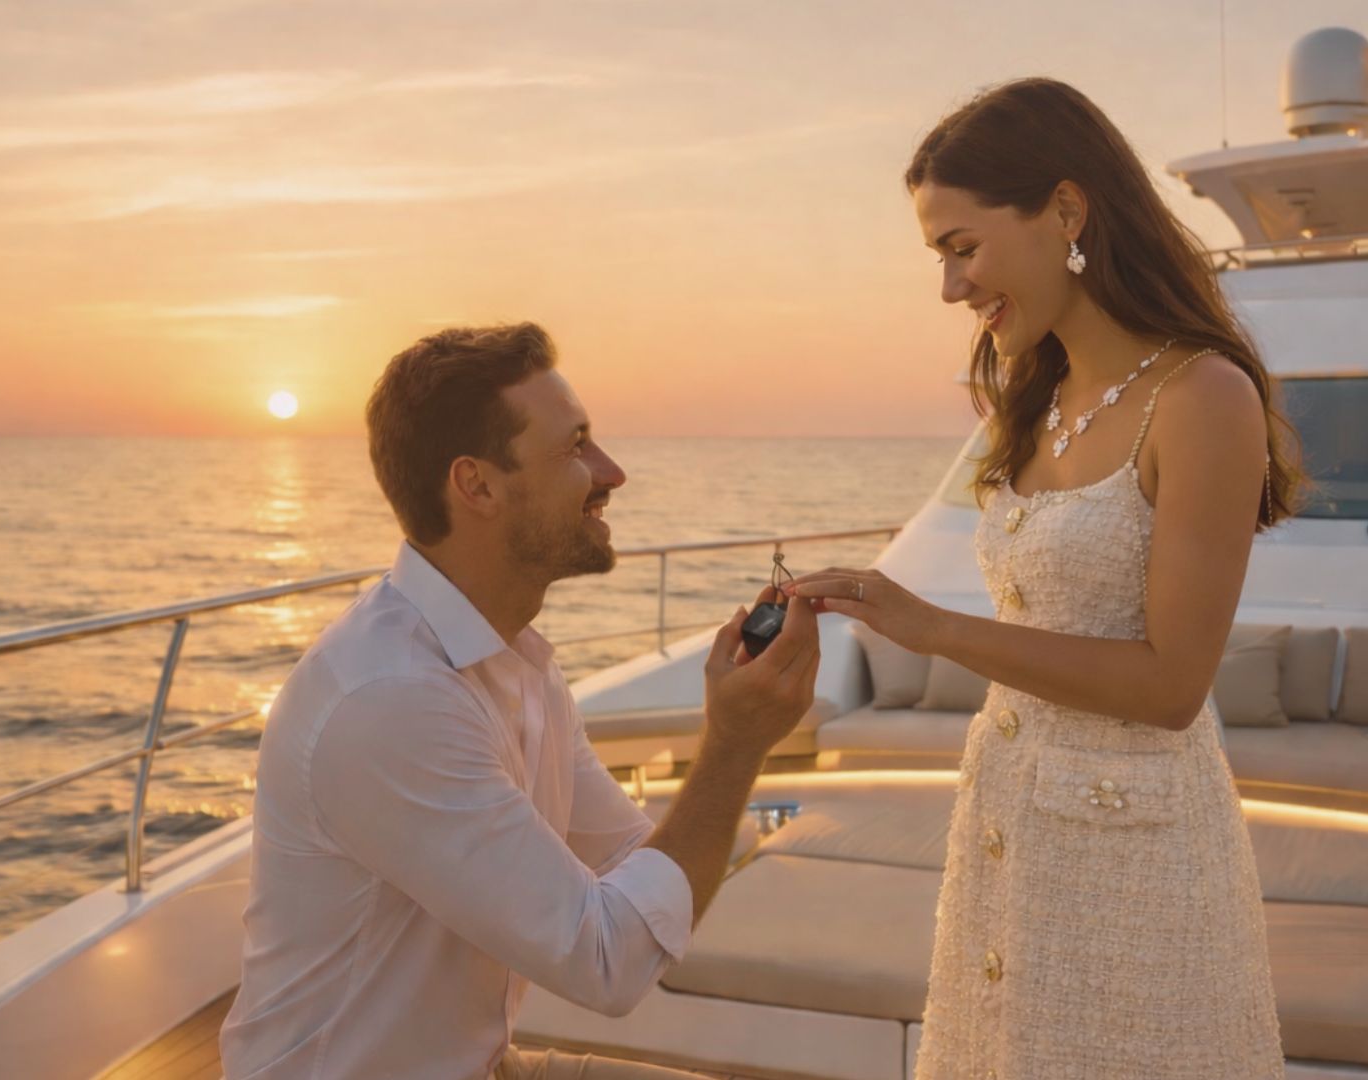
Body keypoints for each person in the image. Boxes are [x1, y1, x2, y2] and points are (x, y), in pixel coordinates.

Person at [786, 79, 1303, 1077]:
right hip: (1010, 829)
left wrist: (928, 628)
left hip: (1138, 864)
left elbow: (1169, 686)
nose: (949, 288)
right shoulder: (1034, 397)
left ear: (1066, 211)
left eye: (960, 247)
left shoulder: (1202, 396)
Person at [219, 322, 822, 1080]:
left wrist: (739, 740)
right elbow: (610, 962)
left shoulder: (517, 659)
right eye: (575, 448)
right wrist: (735, 744)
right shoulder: (391, 701)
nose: (613, 472)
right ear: (477, 486)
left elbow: (632, 864)